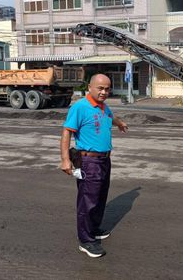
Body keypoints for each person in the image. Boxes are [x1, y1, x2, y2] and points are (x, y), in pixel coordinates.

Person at [60, 73, 128, 258]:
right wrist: (65, 159)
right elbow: (66, 132)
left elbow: (110, 117)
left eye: (107, 88)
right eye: (100, 88)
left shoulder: (104, 107)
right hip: (89, 161)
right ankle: (86, 240)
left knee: (100, 197)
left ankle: (94, 228)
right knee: (87, 201)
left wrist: (119, 123)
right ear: (89, 87)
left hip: (104, 160)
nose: (104, 92)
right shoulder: (80, 107)